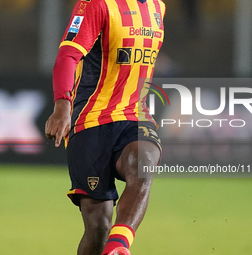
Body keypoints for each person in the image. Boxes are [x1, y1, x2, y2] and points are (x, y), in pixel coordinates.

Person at [45, 0, 165, 254]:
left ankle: (118, 247)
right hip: (91, 120)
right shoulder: (96, 4)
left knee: (143, 165)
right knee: (98, 224)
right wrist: (62, 105)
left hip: (135, 114)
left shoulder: (158, 7)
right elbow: (68, 55)